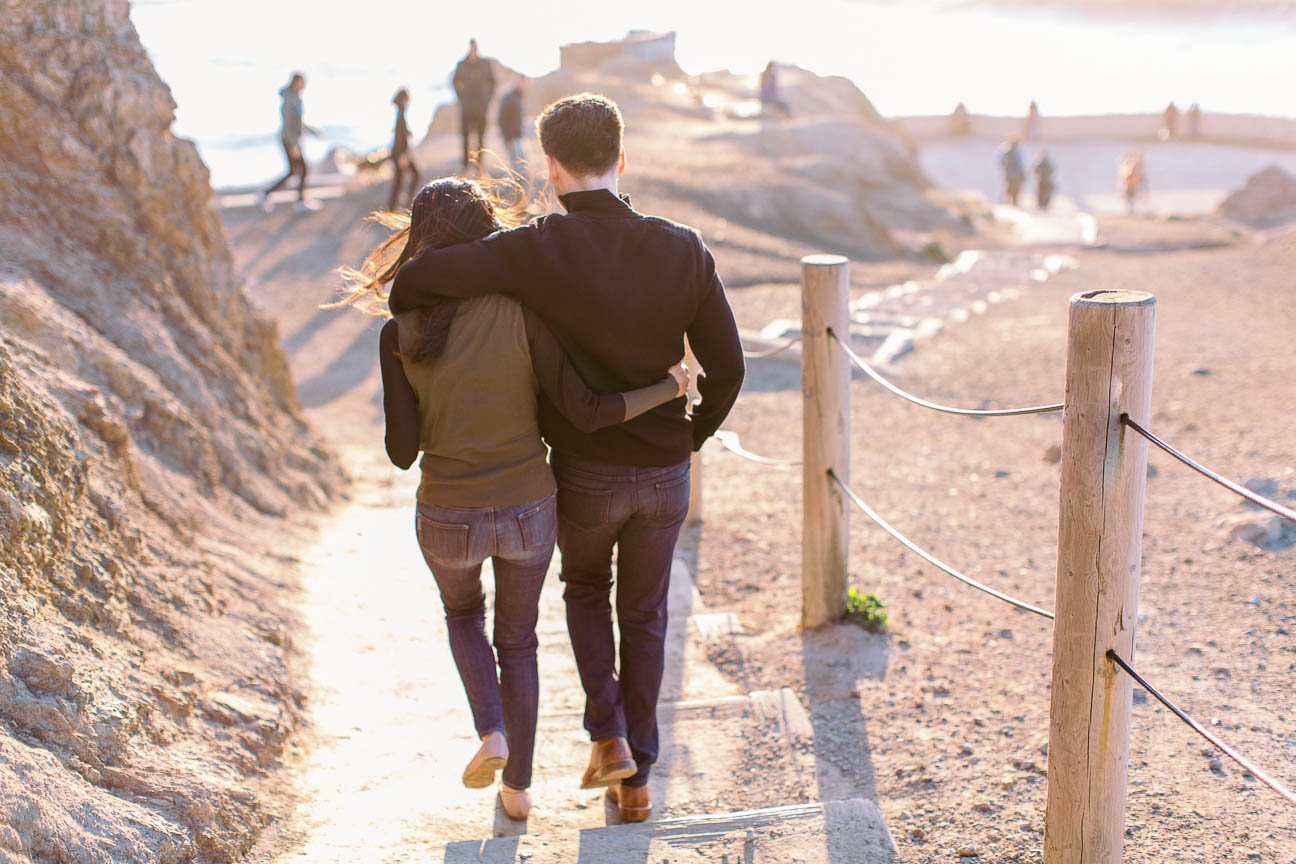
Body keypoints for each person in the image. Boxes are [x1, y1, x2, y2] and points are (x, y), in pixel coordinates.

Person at [388, 93, 745, 824]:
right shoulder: (683, 245)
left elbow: (414, 287)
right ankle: (635, 778)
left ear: (550, 168)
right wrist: (691, 434)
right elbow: (729, 368)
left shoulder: (538, 247)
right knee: (645, 615)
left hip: (585, 470)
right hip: (664, 470)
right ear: (623, 158)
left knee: (586, 593)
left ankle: (607, 733)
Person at [334, 177, 689, 822]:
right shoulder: (522, 315)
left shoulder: (400, 333)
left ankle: (490, 732)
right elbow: (583, 410)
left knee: (463, 617)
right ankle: (518, 790)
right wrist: (666, 390)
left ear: (421, 243)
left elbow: (400, 451)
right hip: (529, 506)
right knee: (518, 641)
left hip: (446, 510)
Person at [260, 72, 321, 213]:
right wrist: (293, 145)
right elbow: (288, 125)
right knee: (299, 170)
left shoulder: (295, 98)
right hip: (289, 140)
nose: (303, 85)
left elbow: (299, 122)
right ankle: (295, 200)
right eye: (301, 82)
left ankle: (268, 193)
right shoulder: (289, 100)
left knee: (295, 171)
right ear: (294, 82)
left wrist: (313, 131)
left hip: (293, 140)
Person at [453, 39, 496, 171]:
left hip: (481, 107)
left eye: (475, 47)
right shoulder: (461, 64)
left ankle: (479, 165)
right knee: (465, 137)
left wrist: (487, 100)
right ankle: (465, 166)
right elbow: (454, 82)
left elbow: (493, 82)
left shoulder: (485, 64)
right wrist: (461, 98)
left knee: (481, 137)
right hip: (466, 107)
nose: (473, 50)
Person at [387, 88, 421, 211]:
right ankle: (405, 203)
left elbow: (400, 133)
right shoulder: (401, 113)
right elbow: (400, 136)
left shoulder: (400, 113)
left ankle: (394, 206)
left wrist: (408, 132)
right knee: (414, 175)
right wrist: (402, 155)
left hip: (397, 153)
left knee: (399, 181)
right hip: (400, 153)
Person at [498, 76, 527, 176]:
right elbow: (502, 118)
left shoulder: (519, 97)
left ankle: (520, 181)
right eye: (521, 82)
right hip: (511, 136)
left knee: (520, 159)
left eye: (524, 83)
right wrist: (507, 135)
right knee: (516, 161)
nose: (523, 85)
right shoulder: (509, 98)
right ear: (516, 82)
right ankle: (517, 182)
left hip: (517, 135)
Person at [998, 138, 1026, 207]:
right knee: (1015, 189)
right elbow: (1020, 163)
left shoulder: (1005, 151)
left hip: (1008, 173)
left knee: (1008, 187)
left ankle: (1006, 202)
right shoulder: (1017, 151)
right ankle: (1014, 203)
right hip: (1016, 174)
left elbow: (1000, 161)